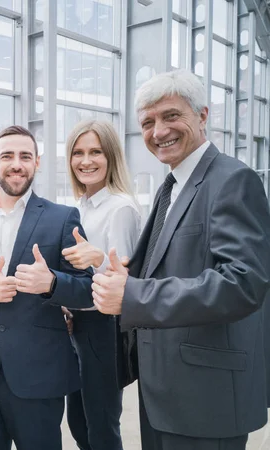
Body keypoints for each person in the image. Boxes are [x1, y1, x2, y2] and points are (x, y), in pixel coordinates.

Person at [92, 70, 270, 450]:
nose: (158, 132)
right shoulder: (171, 186)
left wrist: (133, 294)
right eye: (147, 122)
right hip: (163, 392)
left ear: (202, 116)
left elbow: (243, 284)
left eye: (171, 116)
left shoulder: (233, 180)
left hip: (206, 398)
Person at [0, 125, 93, 450]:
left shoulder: (63, 218)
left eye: (25, 156)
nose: (16, 164)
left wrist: (51, 283)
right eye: (7, 156)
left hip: (41, 375)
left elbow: (89, 288)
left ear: (37, 162)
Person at [62, 120, 141, 450]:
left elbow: (126, 281)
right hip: (76, 324)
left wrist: (98, 260)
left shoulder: (120, 208)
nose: (86, 160)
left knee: (101, 426)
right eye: (78, 153)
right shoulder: (80, 205)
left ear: (110, 157)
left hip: (105, 328)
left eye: (96, 152)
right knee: (79, 424)